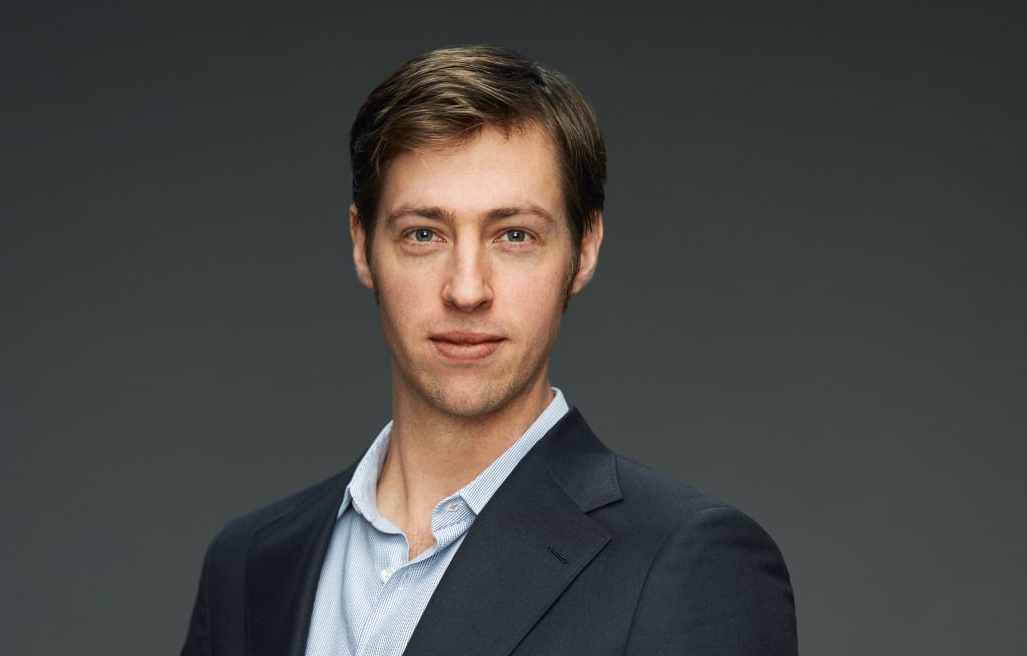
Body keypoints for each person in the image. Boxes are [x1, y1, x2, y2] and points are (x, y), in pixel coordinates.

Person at [181, 45, 797, 656]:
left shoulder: (689, 562)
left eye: (515, 235)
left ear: (584, 250)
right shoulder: (249, 566)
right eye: (424, 234)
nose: (467, 290)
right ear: (363, 246)